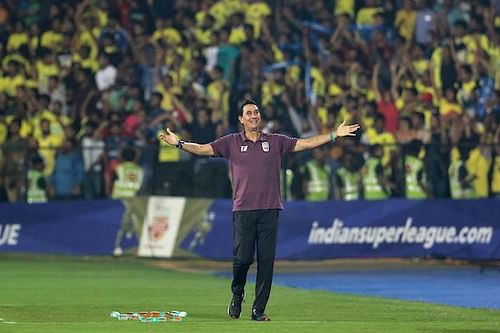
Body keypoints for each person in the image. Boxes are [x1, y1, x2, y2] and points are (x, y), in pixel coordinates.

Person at [158, 100, 360, 321]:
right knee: (242, 259)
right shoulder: (231, 142)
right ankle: (237, 293)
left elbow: (306, 143)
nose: (254, 115)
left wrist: (333, 135)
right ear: (241, 119)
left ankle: (258, 310)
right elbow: (202, 149)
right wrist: (179, 144)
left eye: (256, 112)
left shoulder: (275, 141)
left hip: (269, 209)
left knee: (266, 262)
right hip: (243, 210)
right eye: (249, 113)